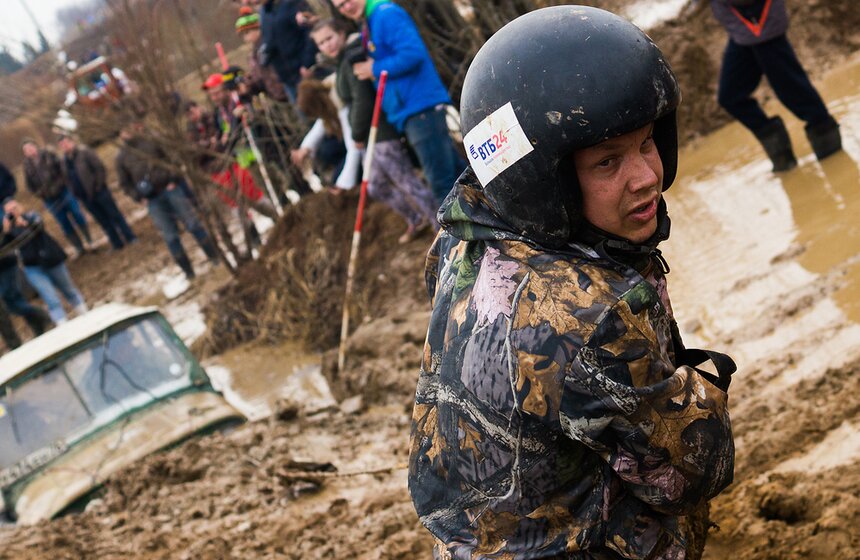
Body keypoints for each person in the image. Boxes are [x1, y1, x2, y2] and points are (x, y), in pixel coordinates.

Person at [408, 7, 736, 559]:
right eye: (608, 162)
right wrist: (699, 395)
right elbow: (692, 475)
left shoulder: (462, 239)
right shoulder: (593, 315)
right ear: (543, 181)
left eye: (648, 143)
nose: (647, 177)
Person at [314, 18, 438, 242]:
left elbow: (363, 101)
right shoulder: (342, 63)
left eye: (330, 38)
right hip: (371, 138)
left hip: (379, 132)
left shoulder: (352, 60)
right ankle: (416, 218)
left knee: (406, 181)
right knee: (376, 186)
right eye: (321, 43)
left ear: (341, 34)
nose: (327, 45)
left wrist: (357, 135)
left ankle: (439, 224)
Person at [334, 0, 466, 205]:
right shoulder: (368, 23)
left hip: (419, 106)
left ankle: (462, 236)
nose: (347, 7)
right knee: (459, 175)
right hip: (407, 111)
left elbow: (413, 53)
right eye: (340, 6)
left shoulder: (385, 14)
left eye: (348, 0)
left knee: (442, 186)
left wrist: (375, 69)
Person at [711, 0, 841, 172]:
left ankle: (833, 160)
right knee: (731, 96)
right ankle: (783, 161)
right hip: (739, 27)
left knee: (794, 91)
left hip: (759, 19)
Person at [115, 120, 220, 281]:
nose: (126, 133)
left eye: (128, 128)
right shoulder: (121, 157)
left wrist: (173, 179)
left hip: (170, 188)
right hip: (151, 200)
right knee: (170, 236)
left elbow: (173, 159)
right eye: (123, 131)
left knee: (193, 223)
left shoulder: (152, 140)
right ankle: (189, 273)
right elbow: (124, 183)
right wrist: (138, 196)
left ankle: (215, 258)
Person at [2, 199, 87, 324]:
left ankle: (85, 315)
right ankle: (63, 326)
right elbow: (4, 246)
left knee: (69, 290)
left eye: (14, 208)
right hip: (32, 267)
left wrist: (24, 223)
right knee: (51, 298)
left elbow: (39, 225)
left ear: (20, 207)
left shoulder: (32, 216)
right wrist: (6, 231)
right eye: (9, 212)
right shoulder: (8, 230)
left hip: (51, 258)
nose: (13, 213)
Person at [58, 135, 137, 251]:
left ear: (72, 142)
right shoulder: (64, 162)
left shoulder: (84, 152)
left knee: (115, 215)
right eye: (62, 145)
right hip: (85, 198)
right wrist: (76, 194)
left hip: (100, 192)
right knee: (103, 221)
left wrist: (98, 186)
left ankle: (130, 237)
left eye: (66, 143)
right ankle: (117, 243)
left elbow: (99, 168)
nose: (65, 146)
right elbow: (67, 180)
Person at [21, 139, 93, 255]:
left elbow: (63, 169)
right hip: (49, 200)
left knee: (77, 213)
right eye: (26, 150)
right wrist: (40, 193)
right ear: (25, 153)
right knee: (63, 222)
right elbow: (30, 186)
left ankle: (89, 240)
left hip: (64, 192)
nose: (29, 151)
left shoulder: (49, 154)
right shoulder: (27, 166)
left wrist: (59, 184)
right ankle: (79, 247)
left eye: (30, 147)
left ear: (35, 147)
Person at [259, 0, 318, 105]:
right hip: (287, 79)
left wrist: (308, 63)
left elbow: (309, 31)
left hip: (307, 71)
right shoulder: (264, 13)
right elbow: (269, 40)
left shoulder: (292, 3)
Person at [236, 6, 289, 103]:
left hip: (288, 90)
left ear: (258, 29)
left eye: (247, 33)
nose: (245, 38)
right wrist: (248, 84)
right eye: (243, 35)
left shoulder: (269, 45)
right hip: (277, 98)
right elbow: (260, 81)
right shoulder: (253, 56)